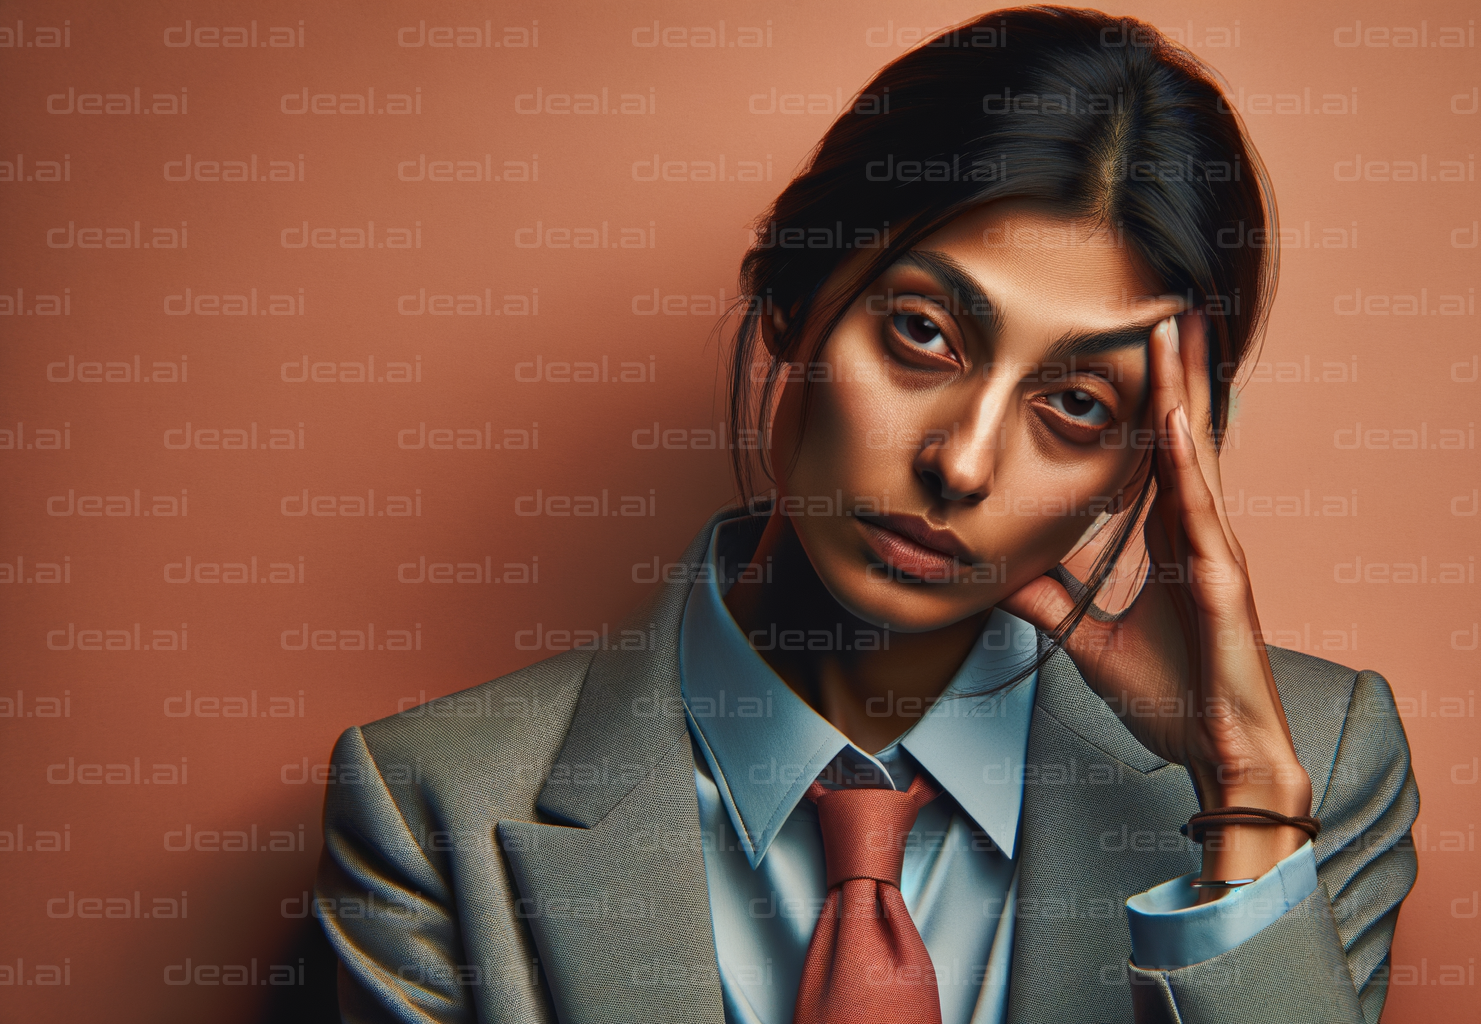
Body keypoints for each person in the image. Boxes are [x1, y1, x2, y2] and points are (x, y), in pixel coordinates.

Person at [313, 8, 1419, 1023]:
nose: (962, 461)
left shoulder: (1318, 768)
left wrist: (1247, 807)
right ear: (796, 296)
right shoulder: (435, 806)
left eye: (1078, 405)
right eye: (924, 334)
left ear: (1145, 465)